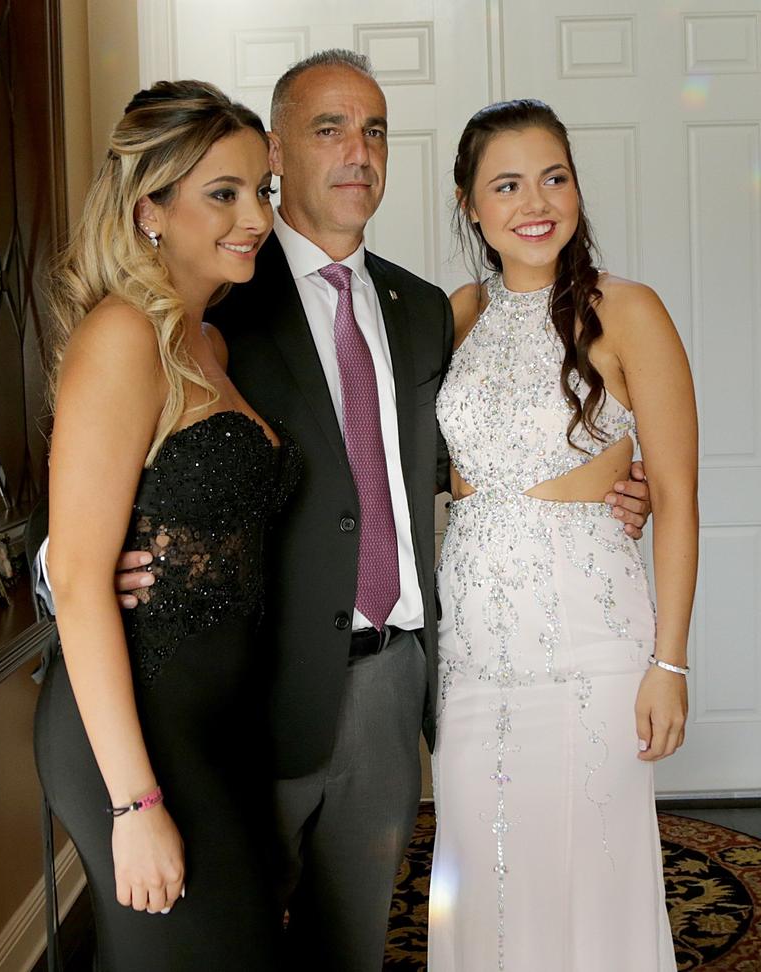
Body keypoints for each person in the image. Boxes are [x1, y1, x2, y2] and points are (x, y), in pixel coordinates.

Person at [100, 55, 655, 970]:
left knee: (352, 944)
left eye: (376, 130)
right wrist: (64, 563)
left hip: (397, 683)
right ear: (275, 150)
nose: (358, 152)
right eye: (329, 129)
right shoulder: (220, 291)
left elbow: (479, 457)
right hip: (261, 686)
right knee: (229, 943)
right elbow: (112, 440)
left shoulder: (425, 309)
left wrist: (609, 490)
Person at [32, 80, 298, 970]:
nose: (255, 216)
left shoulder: (210, 341)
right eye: (222, 193)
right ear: (150, 209)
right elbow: (76, 573)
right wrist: (136, 805)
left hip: (214, 725)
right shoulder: (120, 336)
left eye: (260, 189)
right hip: (136, 733)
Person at [428, 98, 696, 971]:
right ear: (470, 204)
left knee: (594, 878)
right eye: (506, 184)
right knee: (484, 879)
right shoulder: (455, 313)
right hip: (473, 658)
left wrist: (670, 663)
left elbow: (682, 497)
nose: (535, 201)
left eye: (555, 176)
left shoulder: (629, 310)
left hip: (593, 650)